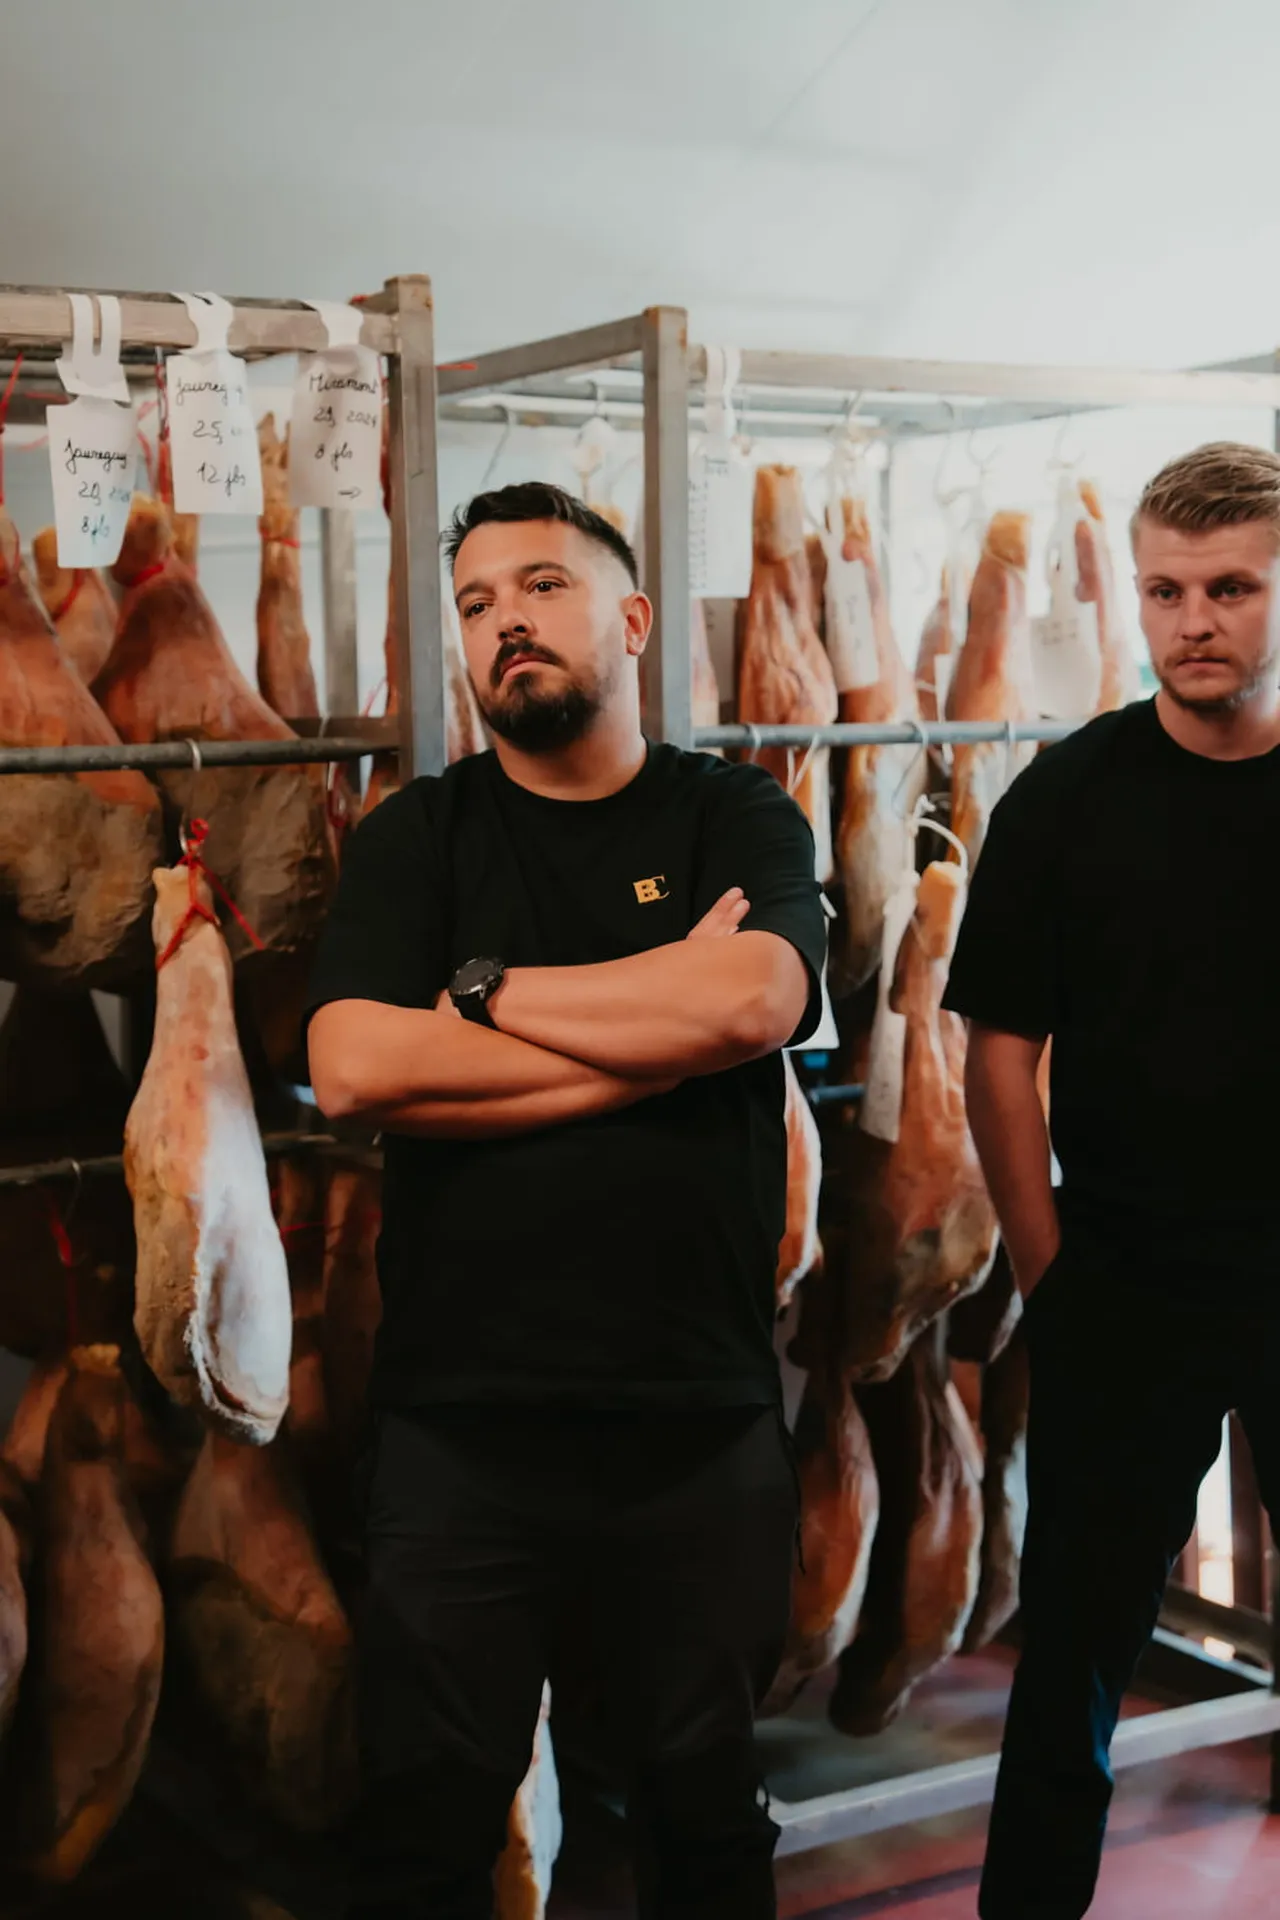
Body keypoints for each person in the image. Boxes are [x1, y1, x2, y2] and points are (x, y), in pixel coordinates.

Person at [306, 481, 826, 1920]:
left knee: (704, 1818)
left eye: (542, 586)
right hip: (461, 1431)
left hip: (696, 1419)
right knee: (426, 1828)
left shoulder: (734, 812)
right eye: (476, 603)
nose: (505, 624)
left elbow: (757, 1000)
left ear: (634, 620)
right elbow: (353, 1068)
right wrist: (655, 1042)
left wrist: (480, 996)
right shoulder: (419, 837)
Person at [943, 440, 1280, 1919]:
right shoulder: (1066, 799)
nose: (1193, 621)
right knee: (1074, 1648)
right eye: (1166, 591)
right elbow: (999, 1053)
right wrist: (1050, 1275)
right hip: (1128, 1277)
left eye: (1233, 589)